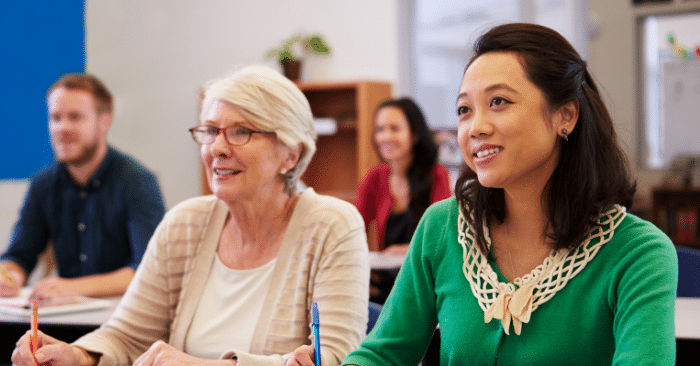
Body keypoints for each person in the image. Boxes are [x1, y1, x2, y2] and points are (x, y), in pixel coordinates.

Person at [288, 23, 678, 366]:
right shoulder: (442, 227)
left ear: (566, 115)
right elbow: (384, 354)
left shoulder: (638, 253)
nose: (475, 127)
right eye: (463, 109)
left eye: (499, 102)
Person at [11, 65, 370, 366]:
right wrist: (75, 355)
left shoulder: (332, 225)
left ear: (290, 154)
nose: (216, 148)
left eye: (241, 132)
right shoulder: (186, 223)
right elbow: (127, 335)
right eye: (211, 130)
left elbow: (335, 359)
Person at [0, 73, 166, 300]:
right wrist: (10, 276)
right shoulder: (43, 184)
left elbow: (149, 270)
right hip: (64, 316)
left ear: (105, 121)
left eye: (75, 117)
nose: (62, 128)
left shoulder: (137, 182)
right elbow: (19, 256)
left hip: (122, 318)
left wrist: (73, 287)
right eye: (55, 118)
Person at [354, 98, 451, 304]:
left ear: (414, 134)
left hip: (427, 284)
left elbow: (444, 236)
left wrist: (406, 249)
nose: (385, 136)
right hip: (387, 285)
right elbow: (352, 228)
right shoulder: (374, 178)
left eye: (394, 128)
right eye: (380, 129)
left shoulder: (437, 175)